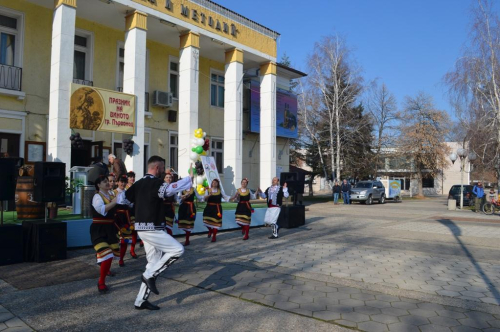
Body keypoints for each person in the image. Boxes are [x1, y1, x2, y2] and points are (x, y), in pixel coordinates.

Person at [117, 156, 194, 310]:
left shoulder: (137, 184)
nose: (163, 171)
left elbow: (122, 199)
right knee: (178, 249)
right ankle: (149, 276)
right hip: (152, 227)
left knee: (152, 262)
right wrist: (189, 178)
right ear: (157, 167)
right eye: (163, 168)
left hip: (142, 227)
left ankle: (140, 300)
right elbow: (170, 190)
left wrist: (138, 205)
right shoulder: (156, 183)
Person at [90, 175, 119, 293]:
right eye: (104, 181)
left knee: (109, 255)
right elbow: (102, 210)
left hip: (111, 229)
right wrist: (115, 201)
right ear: (98, 185)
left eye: (108, 181)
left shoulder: (112, 195)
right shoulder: (97, 196)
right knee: (107, 254)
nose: (107, 183)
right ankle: (101, 281)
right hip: (99, 229)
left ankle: (104, 268)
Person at [114, 175, 135, 267]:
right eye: (121, 181)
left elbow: (131, 205)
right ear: (117, 182)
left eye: (124, 182)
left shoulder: (128, 193)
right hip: (115, 218)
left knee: (124, 240)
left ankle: (121, 259)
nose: (123, 183)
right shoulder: (113, 193)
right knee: (113, 241)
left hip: (126, 218)